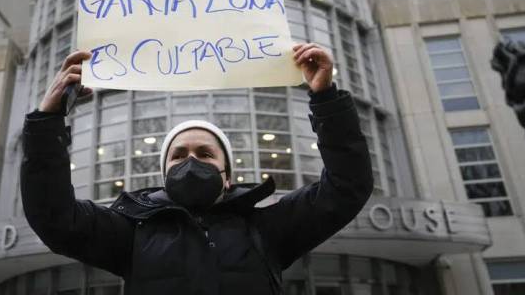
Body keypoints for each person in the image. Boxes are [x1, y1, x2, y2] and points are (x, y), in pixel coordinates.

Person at [21, 42, 373, 295]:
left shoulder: (267, 229)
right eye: (179, 154)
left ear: (228, 174)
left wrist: (325, 99)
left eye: (205, 153)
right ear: (163, 174)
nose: (191, 161)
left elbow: (346, 188)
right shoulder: (131, 234)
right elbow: (55, 218)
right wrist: (48, 120)